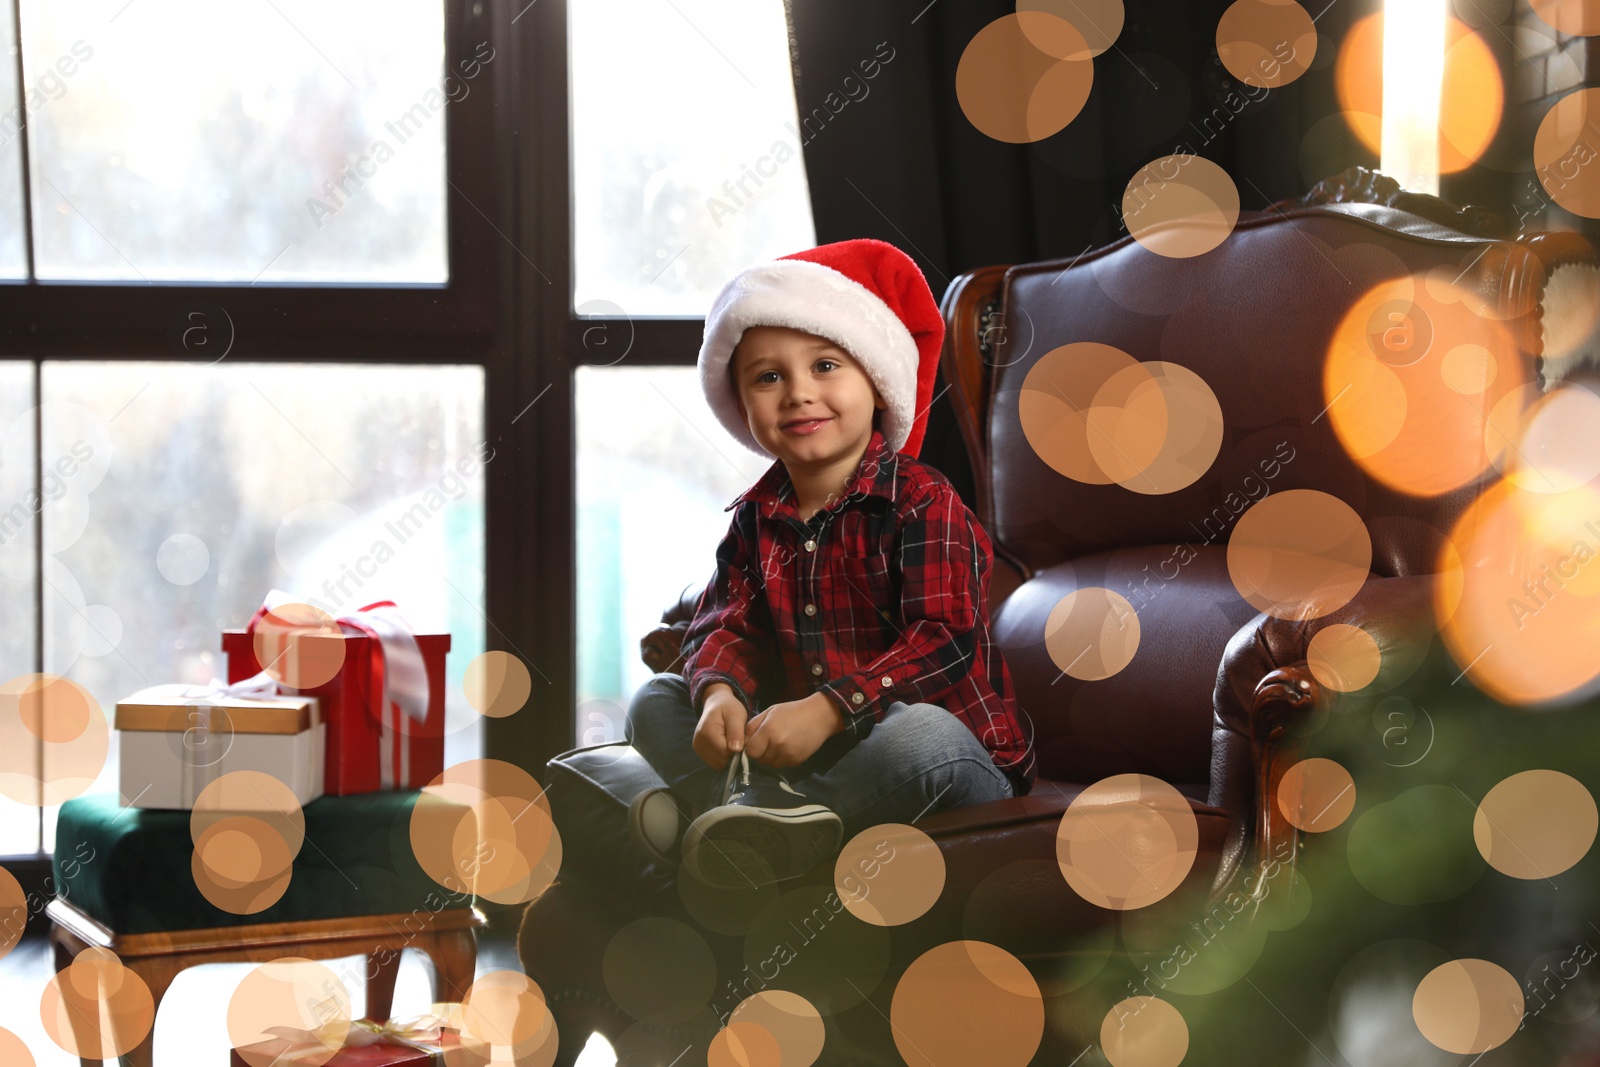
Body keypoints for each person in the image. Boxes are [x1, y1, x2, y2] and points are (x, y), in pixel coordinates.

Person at [625, 238, 1035, 889]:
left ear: (877, 384)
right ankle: (748, 825)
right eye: (768, 376)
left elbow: (943, 639)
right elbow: (723, 621)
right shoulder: (755, 518)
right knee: (656, 700)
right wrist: (719, 693)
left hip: (944, 756)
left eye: (824, 365)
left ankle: (733, 824)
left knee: (923, 737)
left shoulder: (922, 499)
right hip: (803, 757)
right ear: (742, 404)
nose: (797, 394)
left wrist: (828, 708)